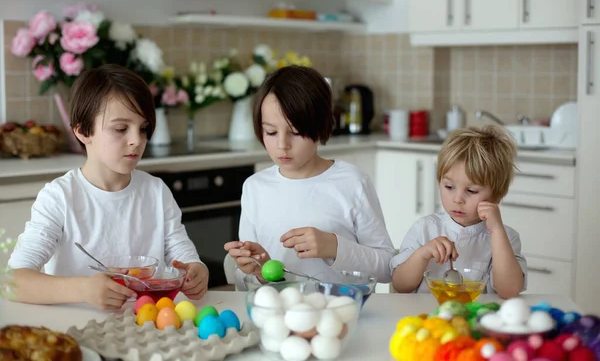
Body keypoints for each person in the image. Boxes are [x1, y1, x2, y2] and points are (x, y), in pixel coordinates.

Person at [7, 64, 208, 309]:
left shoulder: (156, 191)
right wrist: (83, 289)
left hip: (145, 327)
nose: (136, 140)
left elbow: (183, 257)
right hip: (76, 331)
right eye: (121, 129)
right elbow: (12, 281)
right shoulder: (59, 197)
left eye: (143, 129)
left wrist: (196, 270)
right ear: (82, 131)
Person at [224, 65, 395, 290]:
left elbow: (388, 267)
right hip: (277, 314)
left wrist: (335, 247)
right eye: (271, 132)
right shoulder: (255, 187)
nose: (282, 145)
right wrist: (259, 271)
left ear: (320, 125)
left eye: (295, 132)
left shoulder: (352, 182)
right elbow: (242, 281)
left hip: (341, 313)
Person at [390, 125, 527, 298]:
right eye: (449, 187)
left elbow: (509, 291)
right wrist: (422, 255)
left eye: (471, 191)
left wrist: (497, 231)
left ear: (497, 195)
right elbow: (400, 285)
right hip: (429, 321)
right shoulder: (424, 228)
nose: (458, 199)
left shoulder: (506, 238)